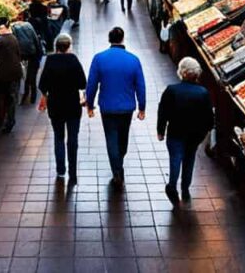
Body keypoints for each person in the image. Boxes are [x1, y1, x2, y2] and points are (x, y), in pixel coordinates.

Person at [86, 27, 146, 188]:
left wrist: (90, 104)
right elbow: (140, 85)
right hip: (127, 107)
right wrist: (142, 107)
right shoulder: (133, 60)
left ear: (109, 39)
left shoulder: (99, 59)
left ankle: (117, 171)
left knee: (111, 138)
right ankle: (119, 163)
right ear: (122, 39)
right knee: (123, 137)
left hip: (107, 107)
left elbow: (92, 84)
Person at [157, 57, 214, 206]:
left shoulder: (171, 90)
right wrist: (206, 131)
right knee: (189, 160)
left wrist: (160, 130)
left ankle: (172, 185)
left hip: (175, 132)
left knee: (175, 159)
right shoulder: (203, 93)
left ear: (182, 72)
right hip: (195, 135)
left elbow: (163, 111)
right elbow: (209, 116)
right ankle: (185, 189)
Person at [38, 34, 86, 185]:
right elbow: (82, 83)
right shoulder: (73, 60)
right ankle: (73, 171)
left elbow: (42, 85)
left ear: (56, 46)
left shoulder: (50, 60)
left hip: (56, 106)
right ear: (69, 46)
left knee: (58, 137)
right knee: (73, 139)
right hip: (72, 106)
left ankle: (60, 170)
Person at [0, 17, 24, 132]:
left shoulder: (0, 42)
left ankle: (8, 123)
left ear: (1, 28)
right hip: (16, 72)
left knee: (8, 99)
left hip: (6, 75)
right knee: (11, 98)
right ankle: (9, 121)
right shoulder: (13, 38)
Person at [12, 13, 44, 105]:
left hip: (22, 55)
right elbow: (35, 39)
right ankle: (33, 96)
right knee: (32, 75)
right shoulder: (28, 25)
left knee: (24, 76)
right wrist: (39, 52)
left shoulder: (13, 28)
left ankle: (24, 95)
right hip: (33, 54)